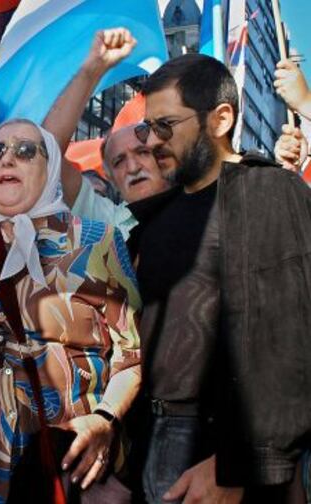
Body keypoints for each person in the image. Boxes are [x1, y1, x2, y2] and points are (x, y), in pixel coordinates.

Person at [128, 53, 311, 504]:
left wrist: (236, 465)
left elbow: (291, 342)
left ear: (221, 118)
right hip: (154, 445)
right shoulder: (155, 220)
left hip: (222, 452)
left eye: (166, 125)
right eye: (146, 128)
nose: (152, 141)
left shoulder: (270, 192)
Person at [0, 118, 141, 503]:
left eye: (26, 150)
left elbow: (133, 356)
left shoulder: (98, 241)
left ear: (51, 166)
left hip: (70, 461)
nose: (8, 158)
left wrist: (106, 418)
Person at [42, 28, 170, 243]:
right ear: (109, 176)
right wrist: (92, 69)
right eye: (119, 161)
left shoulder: (204, 204)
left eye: (142, 152)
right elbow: (45, 149)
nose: (133, 167)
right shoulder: (105, 222)